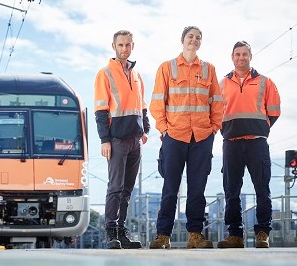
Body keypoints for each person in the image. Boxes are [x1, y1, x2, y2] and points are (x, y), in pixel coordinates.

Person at [149, 26, 223, 249]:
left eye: (198, 38)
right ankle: (163, 236)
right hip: (175, 135)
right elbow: (157, 103)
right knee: (170, 188)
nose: (194, 40)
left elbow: (217, 102)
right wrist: (164, 130)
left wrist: (214, 128)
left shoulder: (209, 69)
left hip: (201, 136)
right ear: (182, 40)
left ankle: (195, 235)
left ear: (201, 43)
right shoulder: (167, 68)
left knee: (197, 189)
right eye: (190, 37)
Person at [217, 41, 281, 249]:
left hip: (257, 144)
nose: (241, 58)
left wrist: (259, 127)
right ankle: (235, 235)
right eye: (237, 54)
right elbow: (216, 113)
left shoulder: (265, 82)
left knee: (262, 188)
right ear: (232, 57)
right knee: (231, 191)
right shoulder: (222, 84)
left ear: (250, 56)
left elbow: (274, 111)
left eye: (245, 54)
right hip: (232, 144)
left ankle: (263, 233)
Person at [94, 30, 150, 249]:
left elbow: (142, 105)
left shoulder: (137, 75)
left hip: (135, 139)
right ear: (113, 46)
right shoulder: (105, 74)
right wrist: (104, 140)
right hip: (116, 139)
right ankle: (111, 234)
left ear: (132, 46)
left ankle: (122, 233)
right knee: (115, 187)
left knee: (127, 190)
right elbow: (101, 109)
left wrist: (144, 129)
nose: (124, 48)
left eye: (128, 45)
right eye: (120, 45)